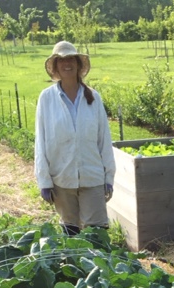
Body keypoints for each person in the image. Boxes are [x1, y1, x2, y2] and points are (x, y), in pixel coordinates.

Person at [35, 41, 116, 236]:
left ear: (78, 64)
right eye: (61, 61)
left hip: (92, 177)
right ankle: (75, 267)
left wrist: (108, 176)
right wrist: (44, 180)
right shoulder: (46, 99)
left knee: (97, 235)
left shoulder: (93, 98)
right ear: (55, 67)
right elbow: (41, 141)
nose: (67, 64)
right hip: (62, 179)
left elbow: (104, 139)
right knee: (70, 234)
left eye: (70, 59)